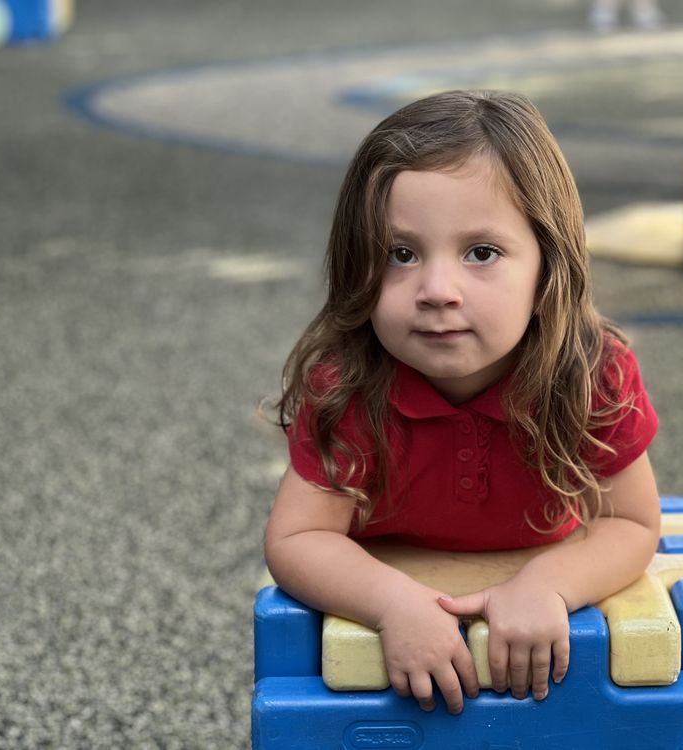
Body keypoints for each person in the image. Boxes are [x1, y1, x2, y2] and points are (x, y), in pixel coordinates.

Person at [264, 90, 661, 716]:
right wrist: (391, 602)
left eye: (482, 252)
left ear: (547, 268)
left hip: (539, 582)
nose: (437, 290)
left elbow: (631, 523)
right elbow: (298, 536)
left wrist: (549, 587)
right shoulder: (349, 384)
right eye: (401, 254)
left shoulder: (591, 373)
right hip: (395, 597)